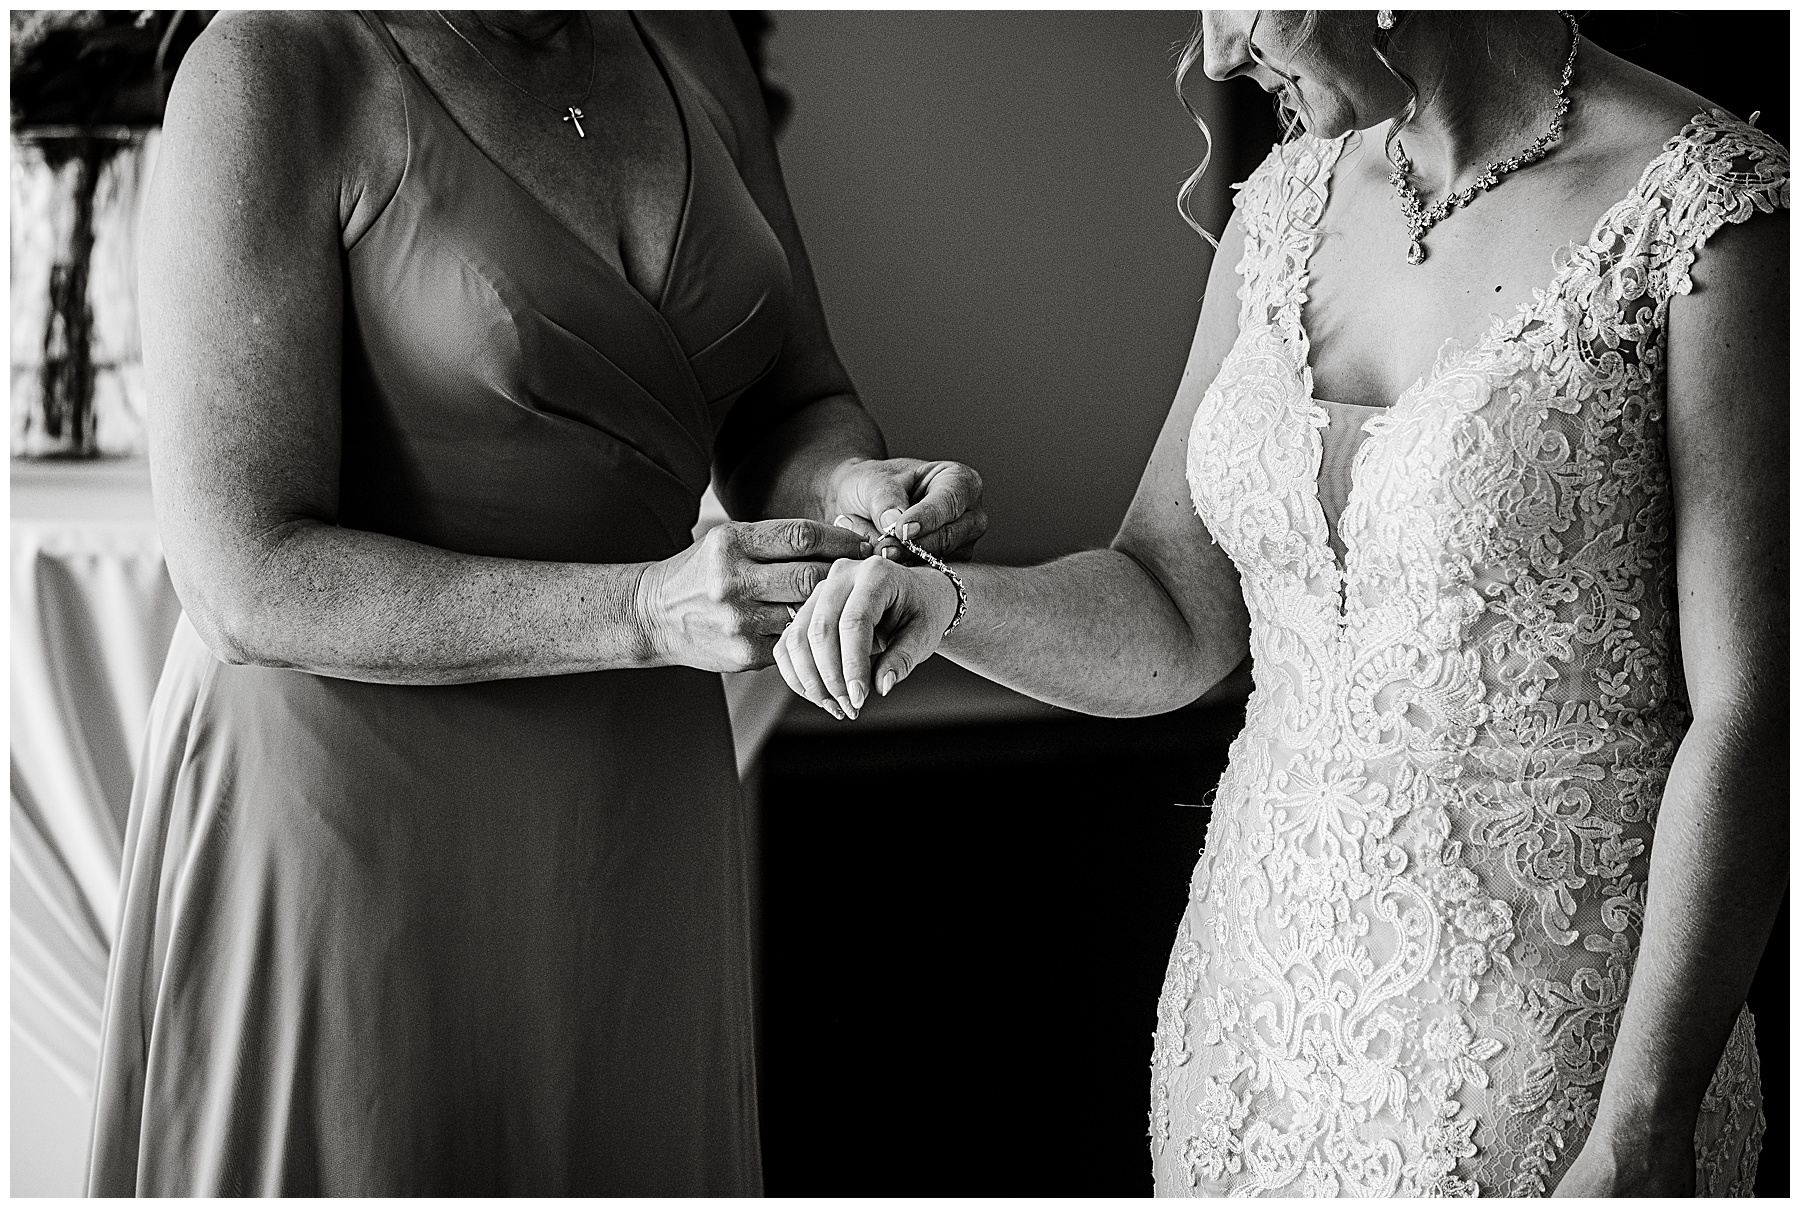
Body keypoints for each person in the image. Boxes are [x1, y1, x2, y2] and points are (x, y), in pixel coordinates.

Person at [778, 9, 1786, 1197]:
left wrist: (1643, 1124)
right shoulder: (1280, 208)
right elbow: (1175, 607)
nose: (1212, 56)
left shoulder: (1704, 212)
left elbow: (1757, 712)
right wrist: (941, 602)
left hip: (1558, 1059)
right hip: (1253, 1028)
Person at [87, 9, 982, 1196]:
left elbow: (788, 396)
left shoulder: (692, 42)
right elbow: (242, 571)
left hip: (631, 818)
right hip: (349, 824)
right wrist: (643, 614)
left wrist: (853, 486)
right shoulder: (274, 65)